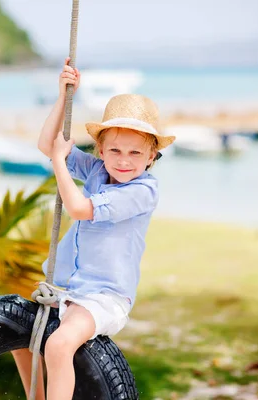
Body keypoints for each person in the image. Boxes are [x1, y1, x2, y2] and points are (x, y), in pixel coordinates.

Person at [11, 57, 176, 400]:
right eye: (114, 150)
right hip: (71, 289)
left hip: (105, 297)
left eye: (135, 152)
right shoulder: (99, 171)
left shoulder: (142, 191)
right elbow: (47, 144)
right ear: (100, 150)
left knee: (58, 346)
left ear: (151, 157)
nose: (124, 160)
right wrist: (63, 97)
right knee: (19, 340)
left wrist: (59, 162)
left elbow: (79, 208)